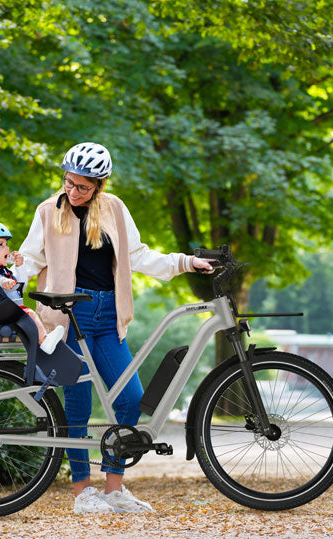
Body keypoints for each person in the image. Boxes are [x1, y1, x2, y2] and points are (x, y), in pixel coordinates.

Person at [15, 141, 214, 515]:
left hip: (107, 315)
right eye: (69, 183)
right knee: (77, 404)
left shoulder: (115, 210)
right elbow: (29, 259)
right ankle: (81, 494)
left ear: (100, 185)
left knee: (128, 399)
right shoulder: (48, 211)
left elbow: (139, 256)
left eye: (82, 187)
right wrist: (7, 276)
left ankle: (114, 489)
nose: (72, 192)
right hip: (67, 315)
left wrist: (186, 262)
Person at [0, 220, 66, 354]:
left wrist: (20, 266)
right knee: (30, 314)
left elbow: (19, 286)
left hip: (8, 307)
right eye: (1, 245)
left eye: (6, 244)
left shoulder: (2, 270)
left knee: (30, 314)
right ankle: (44, 340)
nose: (7, 248)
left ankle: (44, 339)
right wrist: (3, 282)